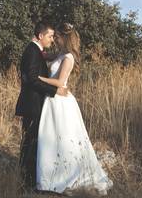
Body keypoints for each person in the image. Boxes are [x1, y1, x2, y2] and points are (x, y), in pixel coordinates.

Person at [35, 22, 113, 195]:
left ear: (64, 38)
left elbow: (60, 82)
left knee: (64, 137)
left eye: (57, 37)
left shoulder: (68, 57)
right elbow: (44, 55)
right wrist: (35, 46)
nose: (54, 39)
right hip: (53, 101)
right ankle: (50, 175)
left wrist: (38, 78)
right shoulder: (60, 54)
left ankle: (66, 175)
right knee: (52, 136)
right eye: (53, 37)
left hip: (61, 102)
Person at [15, 21, 70, 191]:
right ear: (40, 36)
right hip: (33, 104)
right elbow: (31, 79)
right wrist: (55, 90)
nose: (52, 40)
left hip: (36, 103)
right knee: (30, 143)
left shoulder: (35, 51)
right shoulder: (32, 51)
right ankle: (26, 184)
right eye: (50, 36)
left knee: (33, 142)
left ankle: (31, 180)